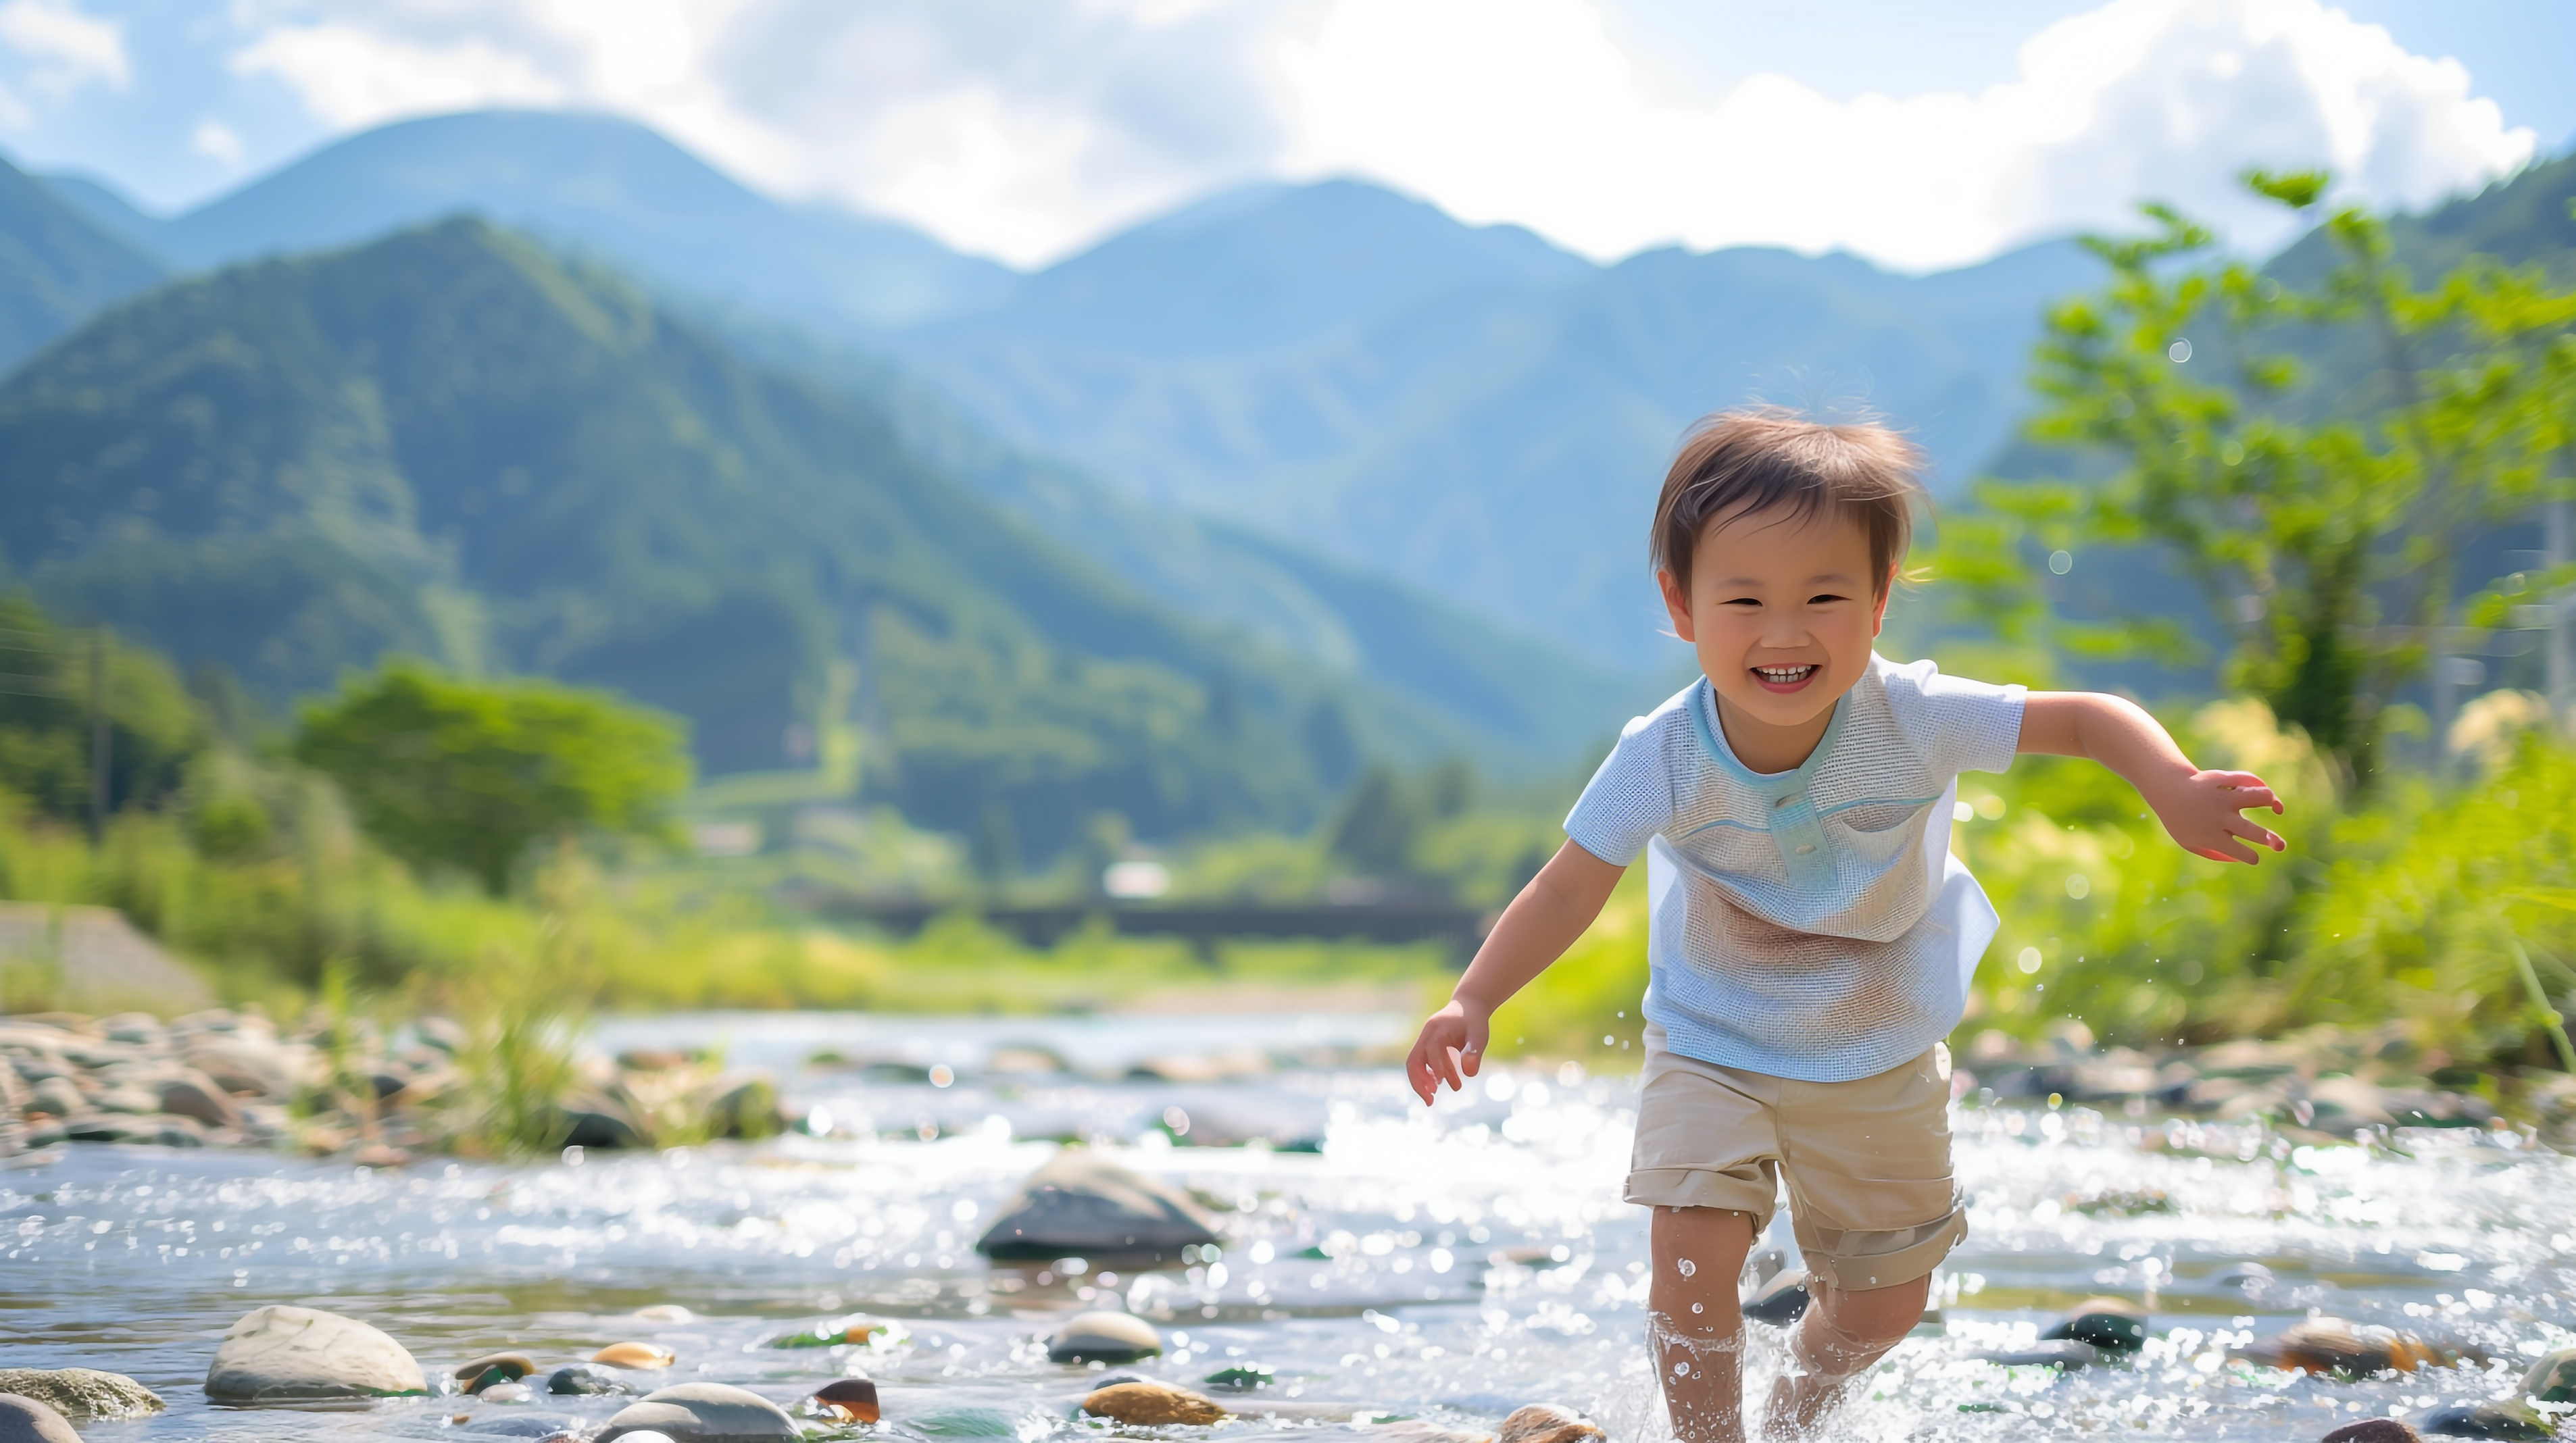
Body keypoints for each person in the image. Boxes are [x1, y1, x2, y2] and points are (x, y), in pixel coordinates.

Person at [1403, 410, 2286, 1441]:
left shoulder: (1914, 715)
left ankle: (1795, 1414)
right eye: (1745, 600)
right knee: (1691, 1252)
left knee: (1883, 1300)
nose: (1785, 633)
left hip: (1878, 1038)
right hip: (1711, 1038)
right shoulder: (1663, 753)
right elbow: (1565, 888)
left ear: (1878, 602)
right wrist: (1474, 997)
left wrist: (2174, 785)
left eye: (1824, 597)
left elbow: (2086, 719)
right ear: (1681, 607)